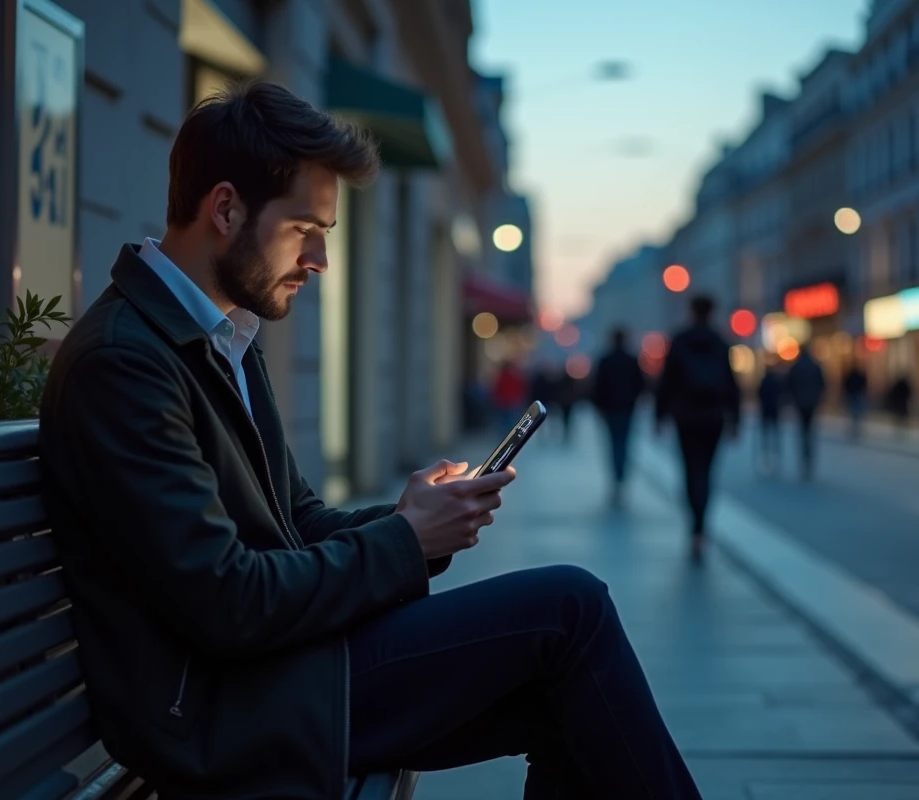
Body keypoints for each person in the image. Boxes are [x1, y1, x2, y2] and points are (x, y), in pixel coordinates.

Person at [37, 79, 702, 800]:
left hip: (275, 668)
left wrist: (411, 519)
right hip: (218, 709)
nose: (320, 260)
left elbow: (296, 521)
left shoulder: (220, 338)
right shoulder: (126, 362)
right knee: (571, 609)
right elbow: (226, 602)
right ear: (225, 209)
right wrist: (405, 541)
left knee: (567, 690)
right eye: (304, 229)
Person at [654, 295, 741, 560]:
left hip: (686, 416)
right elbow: (731, 383)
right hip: (714, 416)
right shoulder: (720, 342)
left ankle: (694, 524)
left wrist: (660, 415)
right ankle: (701, 526)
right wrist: (735, 419)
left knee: (690, 469)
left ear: (691, 311)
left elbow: (666, 382)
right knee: (707, 470)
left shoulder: (680, 340)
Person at [592, 327, 647, 505]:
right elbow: (640, 384)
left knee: (614, 443)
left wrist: (599, 406)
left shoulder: (605, 360)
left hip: (610, 409)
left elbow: (598, 385)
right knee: (624, 443)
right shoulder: (631, 360)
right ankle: (621, 476)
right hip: (626, 408)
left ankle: (616, 477)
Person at [786, 347, 826, 480]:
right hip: (812, 402)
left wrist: (791, 400)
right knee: (809, 431)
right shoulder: (815, 366)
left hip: (800, 403)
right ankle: (808, 457)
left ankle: (804, 457)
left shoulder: (796, 367)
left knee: (803, 431)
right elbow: (822, 384)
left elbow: (789, 385)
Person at [756, 360, 784, 474]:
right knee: (775, 434)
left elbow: (759, 395)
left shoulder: (763, 381)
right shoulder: (776, 382)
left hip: (765, 411)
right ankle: (776, 456)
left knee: (765, 435)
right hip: (774, 411)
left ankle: (766, 456)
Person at [491, 359, 529, 433]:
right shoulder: (514, 376)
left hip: (504, 402)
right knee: (511, 422)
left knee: (504, 423)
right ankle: (512, 434)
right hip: (512, 402)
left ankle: (505, 435)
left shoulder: (501, 377)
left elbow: (496, 390)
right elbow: (521, 388)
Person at [842, 362, 868, 440]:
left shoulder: (851, 376)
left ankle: (854, 427)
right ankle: (855, 428)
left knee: (854, 412)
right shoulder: (859, 376)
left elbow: (846, 384)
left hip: (853, 394)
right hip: (856, 395)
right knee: (856, 413)